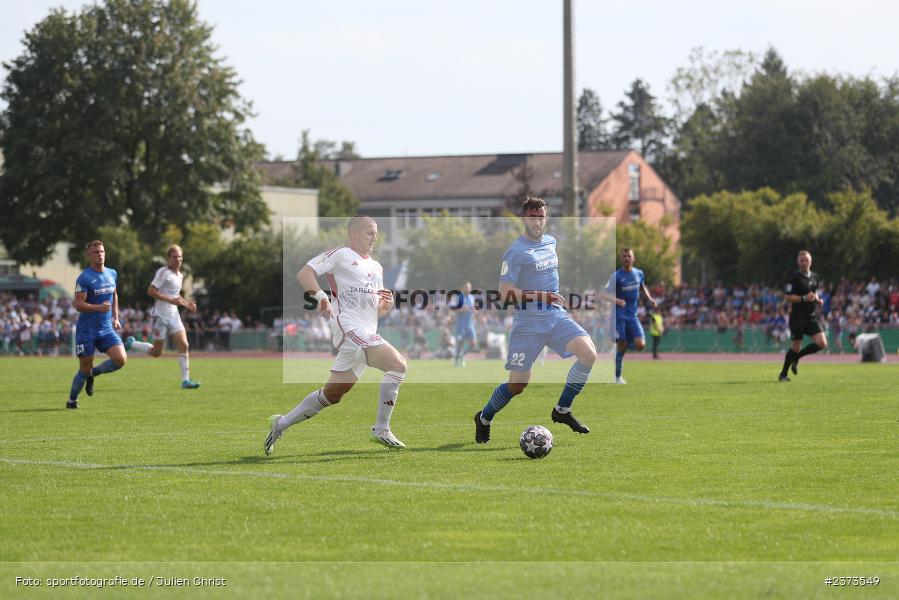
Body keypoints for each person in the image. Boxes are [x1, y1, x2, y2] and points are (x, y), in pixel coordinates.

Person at [265, 216, 408, 454]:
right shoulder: (340, 254)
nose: (375, 237)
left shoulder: (376, 267)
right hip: (350, 329)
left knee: (333, 394)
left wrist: (387, 305)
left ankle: (280, 423)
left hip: (365, 333)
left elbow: (378, 311)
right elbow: (305, 273)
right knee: (398, 365)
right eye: (370, 233)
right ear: (354, 234)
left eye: (376, 233)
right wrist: (321, 296)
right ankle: (381, 428)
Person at [474, 194, 597, 444]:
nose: (538, 221)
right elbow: (505, 294)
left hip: (555, 317)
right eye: (532, 217)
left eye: (541, 216)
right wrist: (542, 295)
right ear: (524, 219)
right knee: (518, 385)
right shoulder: (515, 252)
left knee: (588, 354)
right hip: (528, 324)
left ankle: (562, 410)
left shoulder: (551, 242)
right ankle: (484, 417)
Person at [127, 245, 201, 389]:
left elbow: (176, 296)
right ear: (169, 259)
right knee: (156, 352)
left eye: (180, 256)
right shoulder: (163, 272)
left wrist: (187, 304)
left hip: (174, 315)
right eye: (174, 257)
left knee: (184, 345)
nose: (178, 259)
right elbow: (151, 291)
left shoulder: (179, 275)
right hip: (161, 316)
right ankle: (132, 344)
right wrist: (170, 300)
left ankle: (185, 381)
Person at [67, 240, 130, 409]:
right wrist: (97, 307)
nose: (100, 254)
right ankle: (72, 400)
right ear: (89, 255)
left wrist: (115, 317)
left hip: (106, 329)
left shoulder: (112, 273)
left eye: (102, 251)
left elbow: (114, 295)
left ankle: (93, 374)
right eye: (96, 252)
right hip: (86, 332)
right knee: (83, 369)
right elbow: (78, 304)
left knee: (121, 359)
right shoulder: (84, 277)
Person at [604, 248, 657, 384]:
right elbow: (603, 294)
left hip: (632, 316)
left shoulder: (639, 273)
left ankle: (621, 347)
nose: (626, 258)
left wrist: (650, 299)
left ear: (633, 259)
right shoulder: (616, 276)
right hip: (619, 316)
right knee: (622, 345)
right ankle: (617, 377)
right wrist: (617, 300)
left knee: (640, 344)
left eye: (629, 256)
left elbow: (642, 287)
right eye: (624, 256)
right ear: (621, 259)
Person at [778, 250, 827, 381]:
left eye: (806, 260)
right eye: (801, 260)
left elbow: (814, 292)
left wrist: (818, 299)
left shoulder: (815, 277)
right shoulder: (794, 278)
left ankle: (797, 357)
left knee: (822, 343)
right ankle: (783, 374)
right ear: (798, 262)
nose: (804, 262)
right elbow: (788, 296)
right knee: (795, 347)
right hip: (797, 318)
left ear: (811, 261)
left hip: (811, 317)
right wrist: (804, 298)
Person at [453, 282, 478, 366]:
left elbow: (472, 308)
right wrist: (462, 309)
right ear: (463, 288)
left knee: (473, 344)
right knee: (460, 343)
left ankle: (461, 355)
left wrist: (474, 310)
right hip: (461, 325)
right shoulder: (459, 297)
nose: (468, 289)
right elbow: (455, 308)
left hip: (470, 324)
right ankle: (456, 360)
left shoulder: (472, 297)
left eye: (469, 287)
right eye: (466, 287)